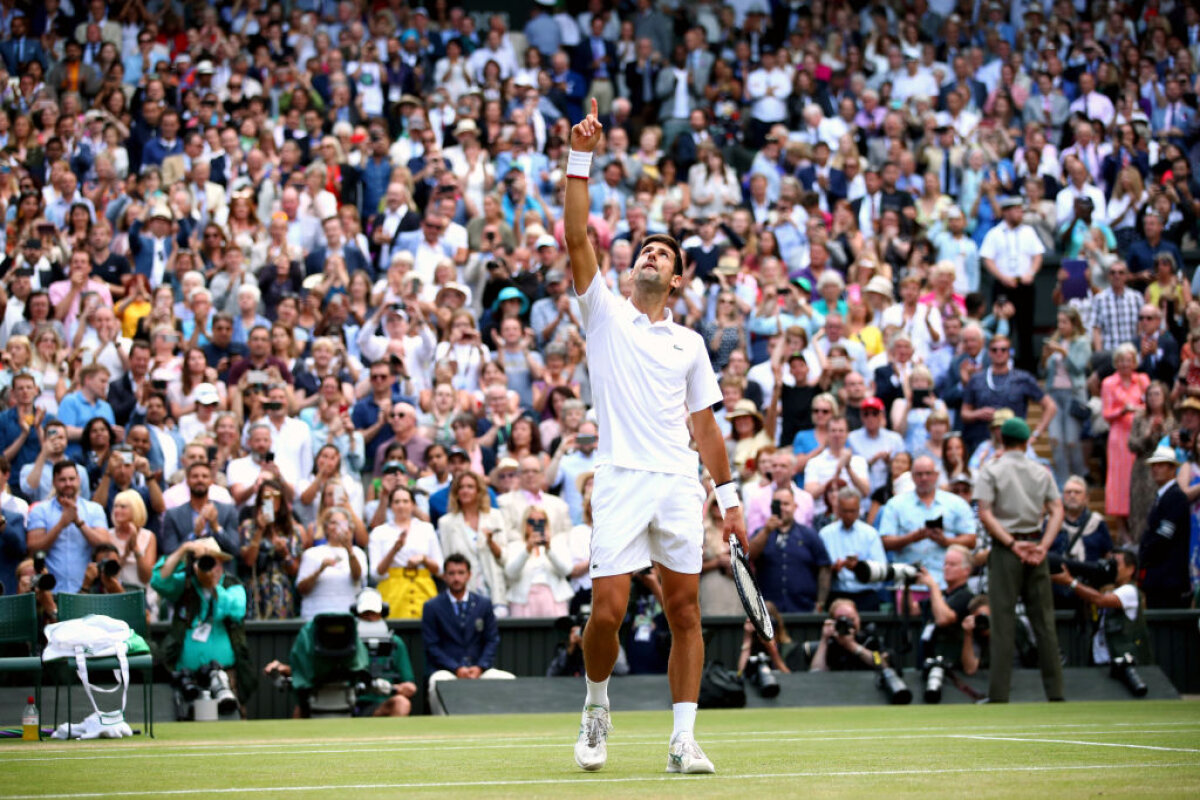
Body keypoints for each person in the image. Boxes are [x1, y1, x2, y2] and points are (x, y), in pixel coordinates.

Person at [564, 101, 745, 775]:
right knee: (607, 613)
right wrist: (581, 156)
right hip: (619, 478)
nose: (650, 255)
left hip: (676, 483)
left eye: (663, 254)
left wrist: (727, 496)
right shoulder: (604, 313)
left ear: (678, 278)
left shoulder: (691, 343)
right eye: (644, 248)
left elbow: (706, 427)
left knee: (685, 613)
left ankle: (682, 740)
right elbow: (576, 235)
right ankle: (596, 703)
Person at [973, 417, 1065, 703]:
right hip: (1036, 545)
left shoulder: (992, 470)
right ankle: (1056, 693)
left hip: (1006, 549)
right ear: (1026, 442)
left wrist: (1012, 544)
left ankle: (999, 694)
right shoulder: (1041, 471)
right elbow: (1057, 510)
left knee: (1002, 622)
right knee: (1045, 623)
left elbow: (985, 513)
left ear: (1001, 439)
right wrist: (1043, 546)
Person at [152, 537, 254, 718]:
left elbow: (236, 611)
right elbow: (159, 581)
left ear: (221, 563)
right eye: (203, 562)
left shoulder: (232, 584)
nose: (209, 567)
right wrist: (183, 550)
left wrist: (214, 587)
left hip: (225, 674)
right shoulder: (186, 583)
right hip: (187, 675)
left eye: (212, 561)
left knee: (229, 723)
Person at [421, 553, 516, 715]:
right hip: (447, 671)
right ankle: (442, 725)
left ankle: (501, 727)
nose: (456, 578)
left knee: (508, 680)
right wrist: (456, 668)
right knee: (437, 682)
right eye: (451, 573)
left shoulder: (483, 604)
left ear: (469, 575)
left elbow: (492, 640)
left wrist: (479, 667)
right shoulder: (432, 607)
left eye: (460, 573)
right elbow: (432, 646)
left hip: (479, 670)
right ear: (444, 576)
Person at [877, 456, 976, 589]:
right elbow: (885, 541)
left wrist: (945, 541)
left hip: (947, 583)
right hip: (909, 583)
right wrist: (912, 537)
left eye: (928, 473)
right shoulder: (896, 504)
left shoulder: (956, 503)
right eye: (919, 474)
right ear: (912, 476)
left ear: (936, 475)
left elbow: (971, 540)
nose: (924, 478)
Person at [1052, 549, 1152, 668]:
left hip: (1122, 660)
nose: (1111, 568)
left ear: (1130, 569)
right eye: (1109, 563)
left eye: (1116, 564)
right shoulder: (1107, 589)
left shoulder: (1130, 591)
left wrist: (1070, 582)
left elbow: (1100, 600)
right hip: (1100, 659)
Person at [25, 461, 109, 593]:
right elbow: (33, 549)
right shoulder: (40, 510)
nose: (68, 484)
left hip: (86, 590)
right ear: (54, 482)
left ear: (79, 480)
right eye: (62, 480)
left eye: (72, 479)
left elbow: (105, 546)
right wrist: (61, 524)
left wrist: (78, 522)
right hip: (51, 591)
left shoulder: (94, 509)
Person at [749, 486, 832, 613]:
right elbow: (749, 556)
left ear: (795, 506)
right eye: (777, 504)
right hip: (768, 611)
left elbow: (825, 568)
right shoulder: (761, 532)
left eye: (786, 504)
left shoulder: (809, 535)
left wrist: (820, 604)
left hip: (803, 609)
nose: (781, 508)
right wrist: (767, 531)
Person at [1138, 447, 1193, 609]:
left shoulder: (1175, 496)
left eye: (1161, 465)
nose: (1155, 469)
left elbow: (1164, 535)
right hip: (1159, 578)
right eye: (1154, 465)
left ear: (1172, 468)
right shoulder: (1162, 496)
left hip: (1169, 580)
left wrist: (1145, 553)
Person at [818, 487, 886, 611]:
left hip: (865, 595)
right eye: (845, 511)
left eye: (852, 511)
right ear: (838, 509)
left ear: (859, 509)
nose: (849, 515)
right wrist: (832, 569)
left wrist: (859, 567)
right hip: (836, 595)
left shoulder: (870, 534)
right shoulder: (825, 534)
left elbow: (881, 569)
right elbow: (819, 568)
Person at [296, 508, 367, 620]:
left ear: (349, 527)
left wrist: (349, 550)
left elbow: (357, 577)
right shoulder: (311, 553)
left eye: (341, 523)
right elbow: (302, 589)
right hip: (316, 617)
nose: (336, 527)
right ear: (326, 528)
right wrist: (319, 570)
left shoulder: (358, 553)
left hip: (347, 618)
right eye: (333, 523)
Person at [913, 545, 975, 667]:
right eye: (945, 564)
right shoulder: (941, 595)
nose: (946, 568)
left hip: (949, 666)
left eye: (952, 565)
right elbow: (911, 609)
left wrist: (933, 586)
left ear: (966, 570)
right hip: (927, 661)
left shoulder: (966, 596)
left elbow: (943, 619)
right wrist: (906, 582)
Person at [160, 462, 239, 556]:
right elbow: (170, 552)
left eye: (205, 476)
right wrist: (194, 535)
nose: (200, 480)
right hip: (186, 569)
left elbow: (235, 549)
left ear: (211, 481)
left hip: (220, 569)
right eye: (195, 476)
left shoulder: (228, 511)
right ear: (187, 481)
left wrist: (216, 527)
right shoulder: (173, 515)